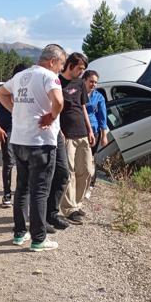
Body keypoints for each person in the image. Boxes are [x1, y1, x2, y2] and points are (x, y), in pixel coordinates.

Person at [0, 44, 65, 252]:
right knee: (40, 191)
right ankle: (38, 239)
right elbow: (59, 101)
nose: (60, 70)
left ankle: (19, 233)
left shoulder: (21, 76)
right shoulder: (48, 76)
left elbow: (1, 93)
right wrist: (51, 116)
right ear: (52, 61)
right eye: (61, 65)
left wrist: (16, 110)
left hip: (19, 140)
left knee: (22, 188)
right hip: (40, 141)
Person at [58, 52, 95, 225]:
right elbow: (54, 108)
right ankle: (69, 208)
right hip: (66, 135)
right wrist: (59, 130)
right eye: (80, 68)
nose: (82, 72)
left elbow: (83, 107)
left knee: (87, 170)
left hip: (82, 134)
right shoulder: (57, 82)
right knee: (69, 173)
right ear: (70, 65)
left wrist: (90, 130)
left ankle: (77, 203)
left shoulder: (80, 83)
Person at [0, 63, 29, 207]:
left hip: (24, 130)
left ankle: (22, 192)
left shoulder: (26, 89)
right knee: (9, 162)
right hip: (8, 131)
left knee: (25, 163)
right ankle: (6, 194)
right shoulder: (4, 89)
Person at [83, 69, 108, 199]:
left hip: (94, 132)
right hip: (78, 131)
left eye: (96, 82)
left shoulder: (99, 97)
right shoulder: (77, 93)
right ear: (84, 80)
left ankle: (90, 185)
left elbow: (103, 118)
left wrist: (104, 136)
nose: (93, 84)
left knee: (91, 159)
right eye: (91, 81)